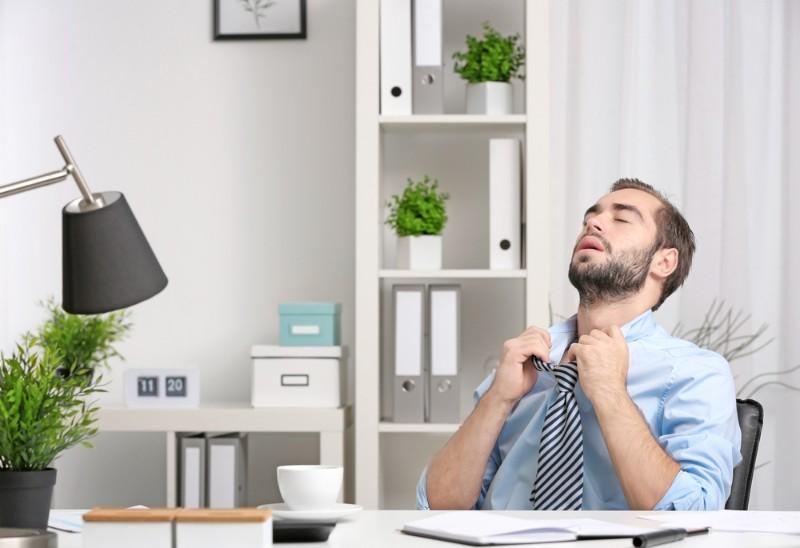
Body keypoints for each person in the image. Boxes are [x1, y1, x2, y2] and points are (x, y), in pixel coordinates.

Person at [416, 179, 742, 511]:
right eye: (590, 217)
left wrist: (609, 392)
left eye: (622, 218)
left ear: (664, 262)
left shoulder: (697, 373)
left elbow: (693, 516)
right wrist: (497, 399)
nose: (593, 223)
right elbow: (439, 508)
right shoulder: (526, 360)